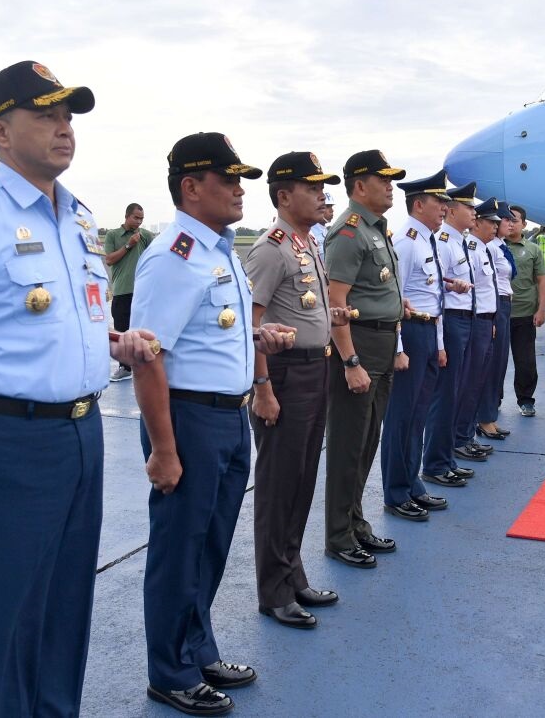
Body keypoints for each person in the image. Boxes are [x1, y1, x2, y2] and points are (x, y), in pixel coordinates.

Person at [0, 60, 158, 717]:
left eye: (68, 116)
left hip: (82, 437)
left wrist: (115, 343)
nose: (64, 128)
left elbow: (60, 325)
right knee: (6, 624)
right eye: (45, 114)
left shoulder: (78, 219)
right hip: (5, 447)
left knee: (65, 610)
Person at [131, 132, 292, 715]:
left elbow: (211, 330)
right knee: (180, 548)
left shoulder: (219, 249)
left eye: (240, 179)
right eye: (228, 179)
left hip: (228, 415)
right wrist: (164, 448)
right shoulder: (173, 254)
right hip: (189, 419)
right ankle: (168, 671)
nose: (239, 189)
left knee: (211, 543)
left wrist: (257, 337)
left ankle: (197, 647)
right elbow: (151, 356)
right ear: (191, 187)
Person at [244, 152, 348, 629]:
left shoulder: (308, 244)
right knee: (278, 485)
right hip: (283, 376)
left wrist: (333, 321)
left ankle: (294, 574)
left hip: (314, 370)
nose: (323, 194)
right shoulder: (271, 247)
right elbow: (253, 321)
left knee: (303, 480)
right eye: (313, 187)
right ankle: (274, 591)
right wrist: (262, 386)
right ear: (285, 196)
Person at [322, 150, 407, 568]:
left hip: (382, 345)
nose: (390, 186)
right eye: (383, 179)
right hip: (358, 347)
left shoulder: (377, 230)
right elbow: (335, 303)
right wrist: (350, 361)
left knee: (368, 440)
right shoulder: (349, 233)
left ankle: (355, 521)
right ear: (359, 185)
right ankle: (338, 535)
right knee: (346, 445)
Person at [380, 170, 457, 521]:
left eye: (445, 202)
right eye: (438, 202)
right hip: (409, 334)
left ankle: (412, 484)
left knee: (418, 416)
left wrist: (439, 344)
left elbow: (434, 297)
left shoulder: (427, 239)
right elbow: (395, 297)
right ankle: (396, 492)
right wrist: (397, 348)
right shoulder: (407, 242)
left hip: (427, 332)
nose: (444, 207)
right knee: (402, 417)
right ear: (419, 204)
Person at [422, 181, 485, 482]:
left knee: (457, 392)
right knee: (445, 395)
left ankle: (446, 458)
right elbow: (435, 289)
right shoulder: (444, 241)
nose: (474, 212)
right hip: (451, 321)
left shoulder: (461, 241)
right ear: (452, 210)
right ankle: (434, 464)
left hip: (467, 318)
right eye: (469, 207)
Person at [453, 199, 503, 458]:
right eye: (491, 223)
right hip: (475, 320)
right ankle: (460, 437)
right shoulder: (471, 248)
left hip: (486, 320)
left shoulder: (483, 249)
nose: (495, 227)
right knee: (468, 382)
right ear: (478, 223)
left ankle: (466, 434)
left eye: (497, 223)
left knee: (477, 382)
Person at [476, 202, 518, 440]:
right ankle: (484, 418)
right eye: (505, 220)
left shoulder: (500, 246)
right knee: (492, 366)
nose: (509, 224)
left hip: (503, 303)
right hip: (496, 304)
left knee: (500, 364)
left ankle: (489, 416)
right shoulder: (490, 248)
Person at [505, 205, 545, 417]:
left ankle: (526, 400)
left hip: (525, 315)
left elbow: (542, 281)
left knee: (525, 362)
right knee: (495, 362)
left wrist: (541, 310)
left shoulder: (533, 250)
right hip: (498, 315)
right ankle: (492, 400)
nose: (510, 223)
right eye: (507, 219)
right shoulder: (495, 246)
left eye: (515, 219)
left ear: (524, 224)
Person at [104, 201, 155, 381]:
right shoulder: (113, 235)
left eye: (142, 219)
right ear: (126, 216)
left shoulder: (146, 236)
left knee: (145, 330)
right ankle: (125, 368)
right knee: (121, 329)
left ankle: (148, 365)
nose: (139, 222)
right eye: (136, 218)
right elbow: (109, 260)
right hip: (121, 290)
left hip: (143, 292)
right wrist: (128, 245)